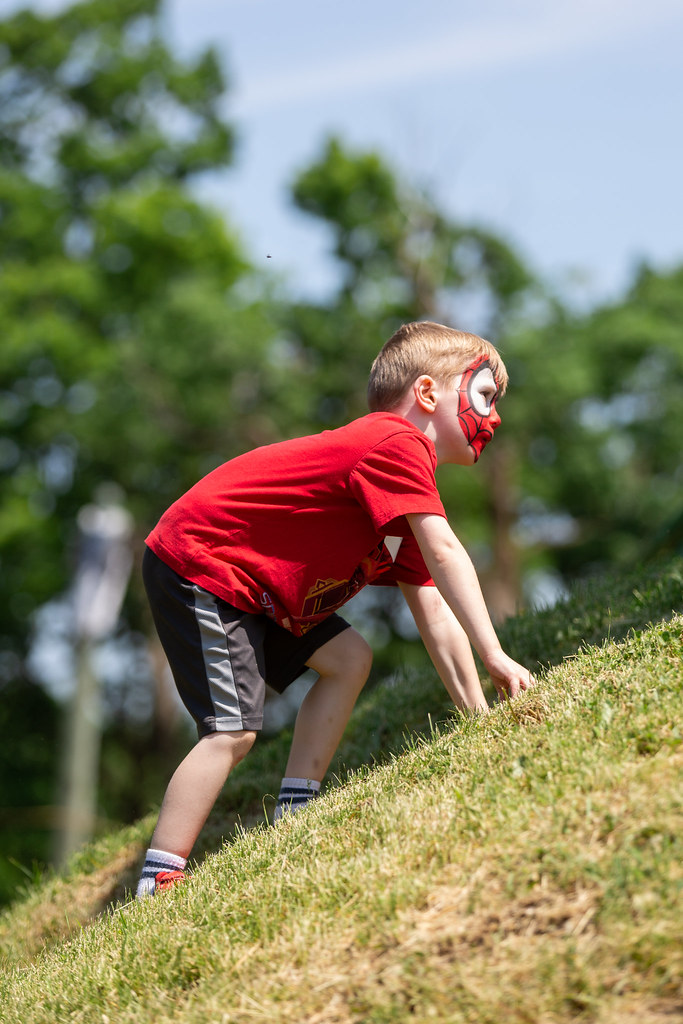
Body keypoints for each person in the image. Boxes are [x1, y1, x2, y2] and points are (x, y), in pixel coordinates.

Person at [136, 320, 534, 898]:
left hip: (260, 591)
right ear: (426, 393)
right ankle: (159, 879)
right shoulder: (395, 444)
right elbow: (447, 551)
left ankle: (294, 813)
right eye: (484, 396)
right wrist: (495, 653)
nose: (494, 417)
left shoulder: (399, 504)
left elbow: (433, 607)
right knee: (232, 730)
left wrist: (480, 721)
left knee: (348, 658)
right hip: (205, 564)